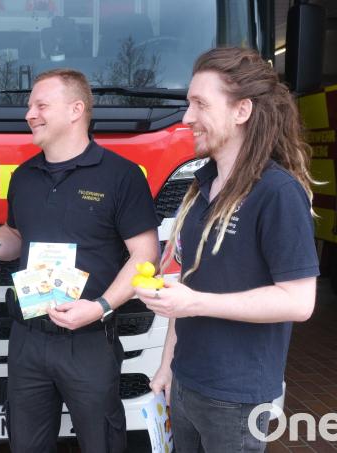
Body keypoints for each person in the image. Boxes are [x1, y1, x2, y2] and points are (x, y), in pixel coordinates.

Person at [0, 68, 160, 453]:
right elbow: (15, 237)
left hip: (88, 340)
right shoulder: (24, 177)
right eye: (30, 106)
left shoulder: (121, 176)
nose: (29, 114)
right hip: (28, 339)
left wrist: (100, 307)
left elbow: (145, 254)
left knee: (102, 442)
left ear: (75, 110)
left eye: (40, 105)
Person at [135, 47, 319, 452]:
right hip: (185, 381)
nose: (187, 118)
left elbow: (299, 301)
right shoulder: (202, 186)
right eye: (188, 104)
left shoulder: (278, 192)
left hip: (236, 397)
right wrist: (166, 365)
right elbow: (187, 286)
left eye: (200, 104)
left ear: (242, 111)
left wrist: (196, 303)